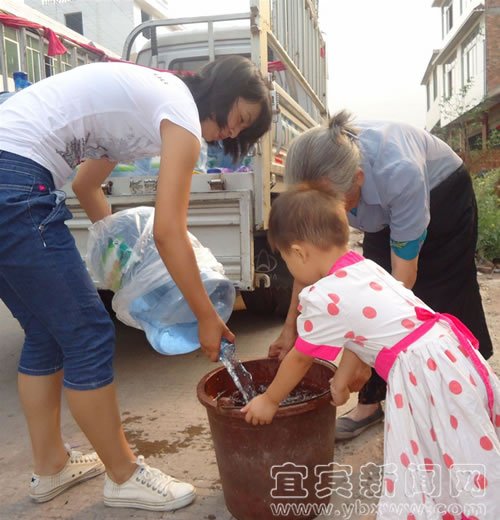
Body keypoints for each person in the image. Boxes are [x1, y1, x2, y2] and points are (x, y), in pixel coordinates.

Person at [0, 56, 271, 511]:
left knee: (46, 333)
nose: (230, 134)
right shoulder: (180, 112)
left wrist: (124, 256)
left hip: (9, 172)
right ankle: (124, 476)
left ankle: (51, 466)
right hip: (16, 179)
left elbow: (87, 187)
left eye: (241, 133)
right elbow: (169, 232)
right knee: (88, 332)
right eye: (236, 119)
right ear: (220, 94)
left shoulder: (146, 105)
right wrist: (207, 316)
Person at [242, 181, 500, 519]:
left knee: (439, 450)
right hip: (449, 353)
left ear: (300, 252)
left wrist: (270, 399)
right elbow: (361, 333)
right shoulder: (363, 268)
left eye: (287, 260)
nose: (292, 271)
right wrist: (342, 378)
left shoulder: (324, 296)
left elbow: (301, 357)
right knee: (462, 438)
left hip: (424, 373)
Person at [269, 110, 494, 441]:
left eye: (327, 204)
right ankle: (370, 405)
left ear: (356, 180)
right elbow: (310, 259)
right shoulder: (323, 172)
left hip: (441, 193)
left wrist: (356, 356)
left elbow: (396, 286)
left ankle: (472, 388)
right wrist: (289, 329)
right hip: (382, 209)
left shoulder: (399, 173)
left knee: (444, 289)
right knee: (362, 288)